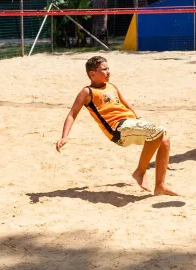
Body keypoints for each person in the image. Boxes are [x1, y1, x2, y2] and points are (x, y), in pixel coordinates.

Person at [56, 56, 178, 196]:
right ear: (92, 74)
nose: (108, 72)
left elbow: (126, 104)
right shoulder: (87, 92)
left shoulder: (112, 86)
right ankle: (140, 171)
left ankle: (160, 186)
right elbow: (72, 114)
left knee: (164, 140)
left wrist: (137, 117)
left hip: (131, 124)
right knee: (159, 131)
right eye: (104, 69)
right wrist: (64, 137)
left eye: (108, 69)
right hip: (118, 129)